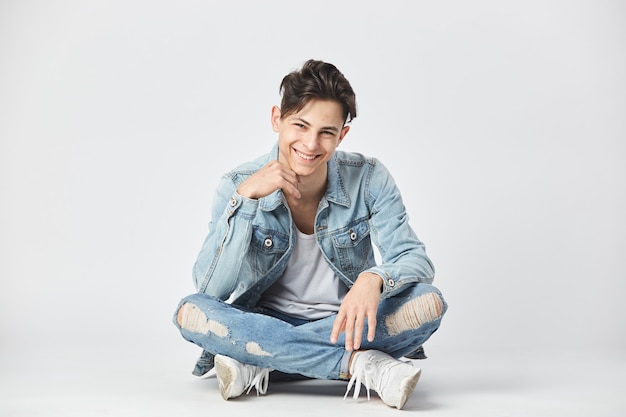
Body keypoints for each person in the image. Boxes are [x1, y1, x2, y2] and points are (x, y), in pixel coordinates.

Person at [173, 59, 447, 410]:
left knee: (429, 302)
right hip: (268, 319)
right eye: (300, 125)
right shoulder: (236, 185)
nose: (311, 143)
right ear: (277, 119)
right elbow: (211, 291)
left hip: (349, 323)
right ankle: (361, 365)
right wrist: (244, 202)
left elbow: (415, 260)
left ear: (342, 135)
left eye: (326, 132)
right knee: (190, 310)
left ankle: (259, 359)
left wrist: (374, 279)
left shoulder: (370, 178)